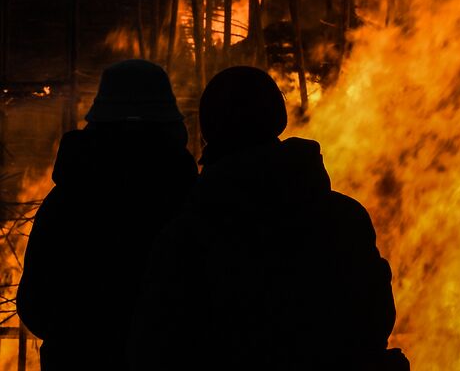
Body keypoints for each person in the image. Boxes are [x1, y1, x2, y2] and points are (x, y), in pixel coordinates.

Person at [129, 66, 401, 371]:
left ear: (208, 130)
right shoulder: (345, 217)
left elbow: (157, 346)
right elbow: (374, 321)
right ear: (278, 117)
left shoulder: (188, 235)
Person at [18, 59, 197, 371]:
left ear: (98, 121)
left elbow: (36, 306)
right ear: (170, 124)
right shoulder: (190, 202)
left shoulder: (67, 202)